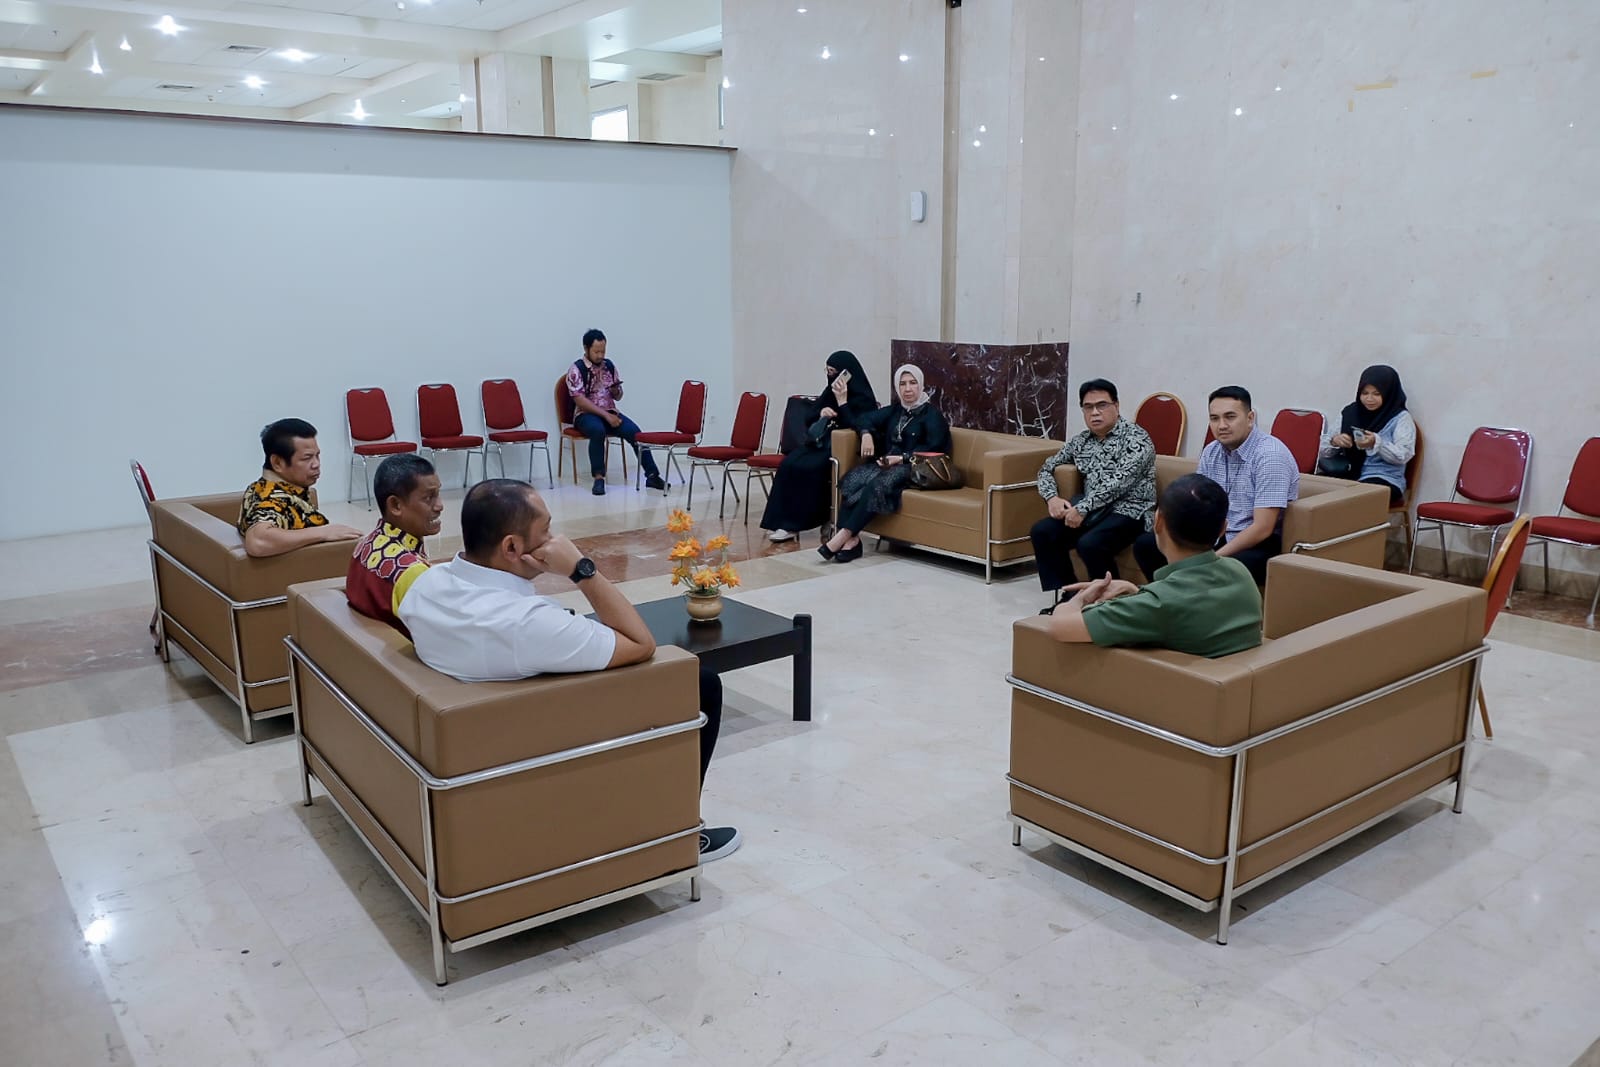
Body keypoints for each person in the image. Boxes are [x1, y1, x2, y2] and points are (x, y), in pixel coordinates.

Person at [397, 479, 739, 861]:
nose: (557, 540)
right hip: (544, 738)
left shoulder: (426, 584)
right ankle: (679, 834)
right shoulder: (525, 622)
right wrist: (581, 570)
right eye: (546, 531)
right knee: (698, 683)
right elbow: (641, 643)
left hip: (480, 728)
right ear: (512, 548)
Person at [1048, 474, 1263, 658]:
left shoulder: (1160, 605)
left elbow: (1060, 627)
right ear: (1223, 529)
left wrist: (1081, 599)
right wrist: (1137, 592)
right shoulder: (1239, 571)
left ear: (1158, 522)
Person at [1132, 386, 1299, 585]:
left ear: (1250, 418)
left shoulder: (1270, 456)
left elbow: (1262, 528)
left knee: (1217, 570)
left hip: (1257, 542)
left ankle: (1189, 598)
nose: (1222, 425)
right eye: (1214, 418)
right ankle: (1171, 598)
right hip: (1215, 532)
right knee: (1146, 545)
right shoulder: (1212, 451)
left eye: (1230, 417)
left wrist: (1211, 559)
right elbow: (1196, 502)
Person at [1030, 379, 1156, 613]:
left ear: (1116, 406)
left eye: (1102, 405)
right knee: (1043, 531)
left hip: (1131, 511)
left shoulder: (1136, 438)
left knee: (1091, 543)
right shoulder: (1081, 441)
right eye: (1088, 407)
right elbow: (1046, 468)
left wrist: (1083, 508)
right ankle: (1070, 596)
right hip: (1093, 512)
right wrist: (1052, 498)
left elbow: (1118, 483)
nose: (1095, 412)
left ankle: (1110, 604)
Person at [819, 364, 952, 563]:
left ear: (921, 385)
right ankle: (853, 542)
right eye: (903, 384)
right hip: (888, 463)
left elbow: (935, 448)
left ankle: (843, 535)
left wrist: (902, 458)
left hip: (916, 468)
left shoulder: (932, 415)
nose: (908, 389)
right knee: (853, 479)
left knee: (879, 484)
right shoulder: (896, 410)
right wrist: (866, 434)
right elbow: (863, 419)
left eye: (913, 383)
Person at [760, 350, 880, 542]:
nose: (831, 376)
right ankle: (782, 522)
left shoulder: (864, 398)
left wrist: (842, 402)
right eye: (828, 371)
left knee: (810, 468)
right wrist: (821, 412)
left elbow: (857, 423)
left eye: (834, 372)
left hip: (841, 449)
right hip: (820, 443)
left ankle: (802, 522)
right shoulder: (829, 391)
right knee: (789, 464)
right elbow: (809, 417)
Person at [346, 454, 443, 637]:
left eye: (438, 494)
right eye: (429, 497)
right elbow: (442, 635)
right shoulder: (412, 572)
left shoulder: (365, 544)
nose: (440, 506)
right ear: (395, 505)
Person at [238, 418, 363, 558]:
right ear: (277, 463)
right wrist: (324, 532)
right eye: (307, 458)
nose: (316, 464)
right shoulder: (273, 499)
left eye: (317, 456)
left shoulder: (259, 486)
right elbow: (258, 541)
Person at [567, 328, 666, 496]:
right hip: (585, 415)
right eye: (596, 352)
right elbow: (579, 400)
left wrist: (616, 391)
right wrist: (606, 416)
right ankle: (599, 478)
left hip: (610, 412)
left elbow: (618, 396)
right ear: (586, 348)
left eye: (603, 351)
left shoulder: (609, 366)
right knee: (597, 431)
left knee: (635, 433)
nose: (600, 355)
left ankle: (652, 475)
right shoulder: (577, 369)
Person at [1319, 364, 1416, 505]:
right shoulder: (1350, 412)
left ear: (1388, 394)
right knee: (1313, 489)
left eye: (1376, 394)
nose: (1369, 399)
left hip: (1384, 477)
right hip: (1348, 472)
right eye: (1365, 393)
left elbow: (1403, 455)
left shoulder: (1400, 418)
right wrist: (1335, 441)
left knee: (1356, 497)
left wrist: (1377, 443)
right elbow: (1322, 450)